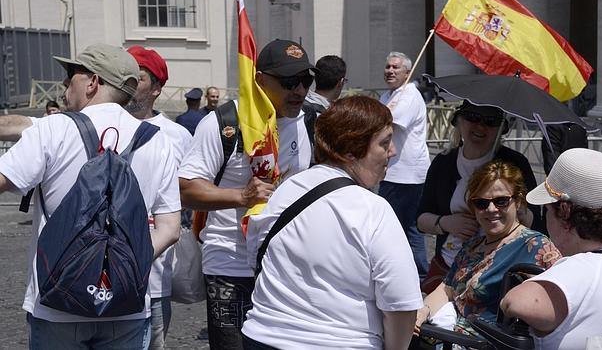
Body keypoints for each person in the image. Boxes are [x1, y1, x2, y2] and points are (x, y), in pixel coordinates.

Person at [0, 43, 181, 349]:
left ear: (93, 82)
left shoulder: (54, 129)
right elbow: (170, 229)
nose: (64, 85)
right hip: (127, 304)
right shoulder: (158, 141)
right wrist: (121, 265)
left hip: (57, 304)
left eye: (71, 75)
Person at [243, 95, 422, 349]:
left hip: (262, 337)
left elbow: (255, 254)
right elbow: (401, 304)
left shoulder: (287, 188)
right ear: (352, 151)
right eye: (384, 143)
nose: (392, 151)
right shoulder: (373, 209)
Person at [178, 38, 317, 350]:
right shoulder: (224, 122)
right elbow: (185, 189)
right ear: (260, 79)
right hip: (231, 264)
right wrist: (241, 197)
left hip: (287, 265)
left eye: (306, 81)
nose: (299, 90)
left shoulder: (310, 120)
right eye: (289, 82)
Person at [500, 148, 602, 350]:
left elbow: (516, 302)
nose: (545, 217)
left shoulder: (581, 268)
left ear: (564, 212)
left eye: (547, 209)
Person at [414, 160, 560, 337]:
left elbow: (558, 306)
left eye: (501, 201)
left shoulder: (537, 247)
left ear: (518, 200)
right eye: (481, 203)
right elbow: (447, 289)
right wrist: (422, 312)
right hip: (449, 337)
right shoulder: (472, 246)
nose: (491, 209)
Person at [417, 102, 541, 294]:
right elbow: (420, 219)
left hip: (498, 270)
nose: (480, 126)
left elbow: (536, 221)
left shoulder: (515, 164)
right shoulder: (443, 163)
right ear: (458, 121)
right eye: (473, 118)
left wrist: (507, 209)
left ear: (500, 129)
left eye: (490, 121)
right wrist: (446, 223)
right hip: (448, 268)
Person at [125, 45, 192, 350]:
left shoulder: (176, 136)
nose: (128, 84)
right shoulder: (97, 124)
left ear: (156, 88)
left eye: (137, 78)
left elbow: (190, 192)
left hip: (154, 278)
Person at [378, 51, 431, 280]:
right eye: (388, 67)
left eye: (395, 68)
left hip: (407, 174)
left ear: (407, 73)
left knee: (407, 228)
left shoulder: (410, 95)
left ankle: (420, 275)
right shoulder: (386, 95)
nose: (390, 71)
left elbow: (388, 121)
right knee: (400, 227)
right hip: (391, 172)